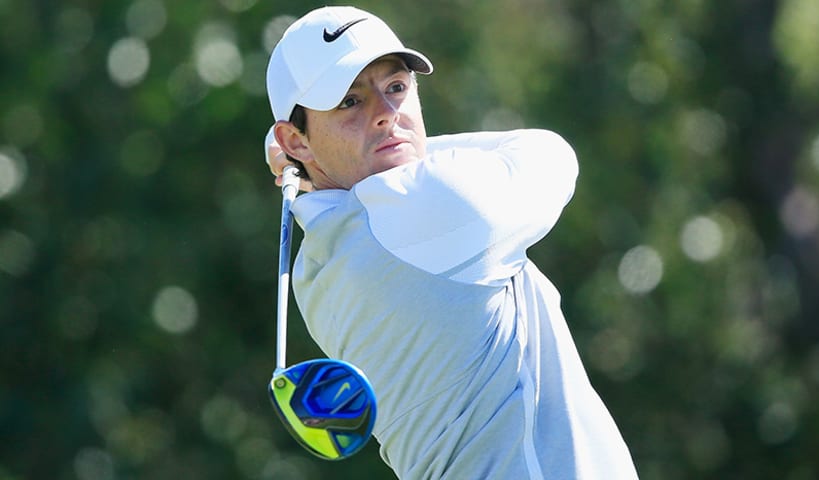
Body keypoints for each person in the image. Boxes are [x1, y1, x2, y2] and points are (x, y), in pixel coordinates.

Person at [263, 6, 638, 479]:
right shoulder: (432, 209)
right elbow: (551, 153)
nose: (386, 115)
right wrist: (396, 146)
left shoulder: (313, 271)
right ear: (294, 142)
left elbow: (375, 179)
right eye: (349, 102)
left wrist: (307, 151)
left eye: (396, 88)